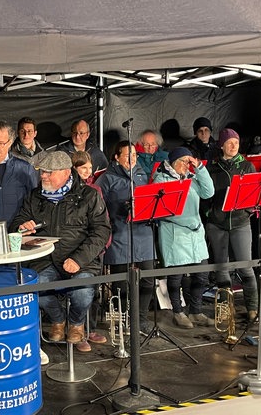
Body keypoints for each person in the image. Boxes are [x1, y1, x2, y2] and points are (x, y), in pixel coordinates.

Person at [11, 151, 110, 350]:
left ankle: (76, 323)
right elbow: (18, 221)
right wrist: (21, 227)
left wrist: (79, 259)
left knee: (81, 292)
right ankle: (58, 320)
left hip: (82, 262)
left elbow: (101, 232)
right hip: (45, 261)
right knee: (36, 287)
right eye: (42, 172)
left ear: (66, 172)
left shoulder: (89, 195)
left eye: (48, 172)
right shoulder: (34, 196)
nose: (43, 176)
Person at [95, 141, 156, 335]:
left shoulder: (141, 174)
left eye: (135, 155)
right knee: (121, 283)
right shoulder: (107, 178)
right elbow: (97, 204)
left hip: (143, 233)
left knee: (147, 280)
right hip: (120, 233)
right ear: (116, 157)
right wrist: (116, 210)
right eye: (128, 155)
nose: (133, 159)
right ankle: (122, 320)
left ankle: (141, 319)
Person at [154, 147, 215, 329]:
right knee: (176, 277)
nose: (187, 166)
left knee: (202, 274)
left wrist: (200, 169)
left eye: (189, 162)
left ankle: (196, 311)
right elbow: (165, 210)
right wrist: (190, 221)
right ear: (174, 162)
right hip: (175, 234)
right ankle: (178, 312)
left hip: (194, 234)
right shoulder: (161, 179)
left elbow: (209, 192)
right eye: (184, 162)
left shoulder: (191, 178)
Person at [205, 128, 259, 321]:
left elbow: (254, 194)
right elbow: (205, 196)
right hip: (217, 224)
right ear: (222, 145)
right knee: (221, 268)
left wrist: (246, 211)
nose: (234, 145)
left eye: (236, 142)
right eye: (230, 142)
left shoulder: (247, 167)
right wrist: (209, 213)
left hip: (240, 223)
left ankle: (252, 308)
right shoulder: (213, 167)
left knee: (245, 267)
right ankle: (225, 310)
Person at [70, 150, 110, 351]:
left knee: (94, 292)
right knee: (80, 291)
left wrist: (104, 243)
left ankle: (91, 328)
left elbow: (103, 219)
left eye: (89, 168)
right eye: (82, 168)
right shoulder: (68, 191)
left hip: (95, 248)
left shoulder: (95, 189)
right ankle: (79, 332)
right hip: (77, 249)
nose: (87, 172)